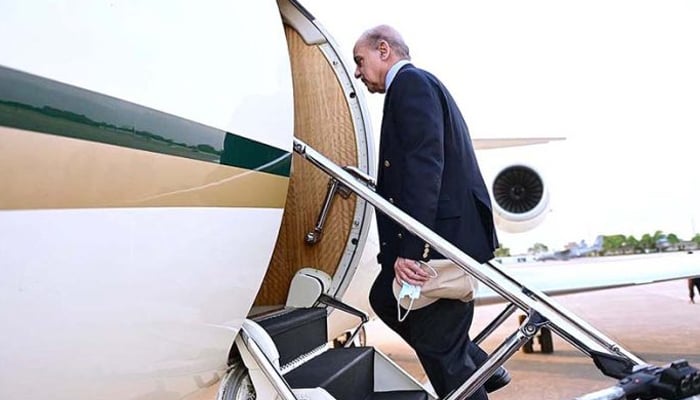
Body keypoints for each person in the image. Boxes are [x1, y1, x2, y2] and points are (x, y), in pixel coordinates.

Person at [352, 25, 509, 399]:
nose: (358, 73)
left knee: (446, 356)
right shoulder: (418, 85)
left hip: (440, 242)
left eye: (360, 61)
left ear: (384, 50)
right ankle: (483, 366)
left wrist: (412, 248)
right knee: (386, 300)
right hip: (445, 235)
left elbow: (425, 165)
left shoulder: (410, 84)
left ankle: (478, 370)